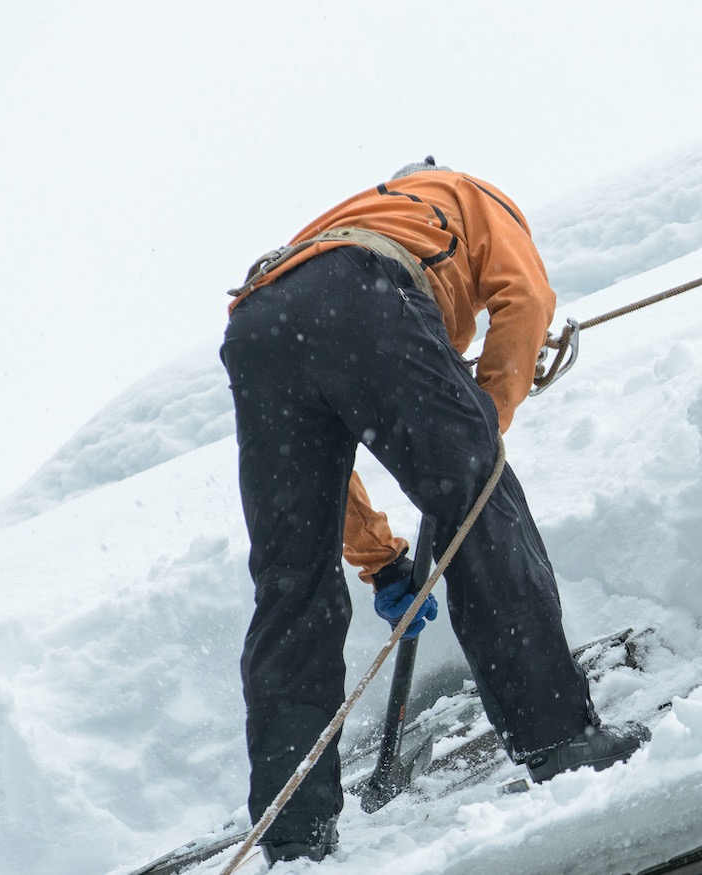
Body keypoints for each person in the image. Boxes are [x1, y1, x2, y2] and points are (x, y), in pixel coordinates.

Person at [219, 158, 647, 864]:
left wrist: (382, 560)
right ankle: (559, 738)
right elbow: (528, 299)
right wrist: (483, 422)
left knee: (291, 582)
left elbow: (329, 467)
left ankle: (294, 834)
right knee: (478, 499)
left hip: (259, 325)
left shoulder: (338, 227)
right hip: (362, 291)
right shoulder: (470, 195)